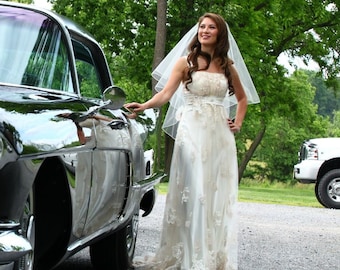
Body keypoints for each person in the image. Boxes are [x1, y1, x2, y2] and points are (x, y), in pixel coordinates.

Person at [125, 12, 259, 270]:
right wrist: (144, 106)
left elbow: (242, 99)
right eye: (202, 27)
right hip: (191, 133)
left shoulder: (226, 64)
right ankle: (189, 256)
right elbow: (165, 94)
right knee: (194, 191)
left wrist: (238, 123)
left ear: (219, 33)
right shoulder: (184, 62)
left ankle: (209, 255)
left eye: (211, 27)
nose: (205, 31)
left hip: (219, 136)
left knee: (213, 194)